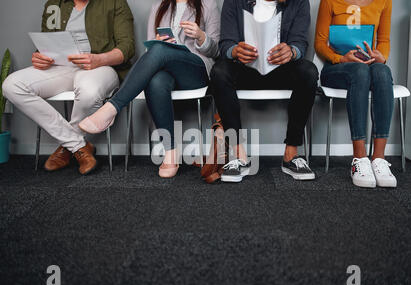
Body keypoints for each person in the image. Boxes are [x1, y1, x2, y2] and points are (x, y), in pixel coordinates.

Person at [79, 0, 220, 178]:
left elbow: (216, 51)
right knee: (156, 80)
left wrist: (201, 36)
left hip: (195, 70)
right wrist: (159, 43)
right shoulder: (159, 6)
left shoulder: (208, 4)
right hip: (166, 69)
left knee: (160, 50)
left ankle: (111, 108)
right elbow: (150, 52)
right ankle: (171, 151)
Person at [2, 0, 135, 175]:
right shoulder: (54, 4)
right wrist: (39, 56)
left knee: (89, 90)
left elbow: (127, 47)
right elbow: (44, 45)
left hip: (102, 66)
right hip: (61, 67)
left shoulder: (115, 2)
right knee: (12, 85)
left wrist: (99, 59)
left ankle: (68, 147)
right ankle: (77, 145)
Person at [210, 0, 318, 183]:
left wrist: (291, 52)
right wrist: (235, 51)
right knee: (219, 71)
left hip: (280, 70)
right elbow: (225, 44)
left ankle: (290, 155)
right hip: (245, 70)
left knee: (309, 72)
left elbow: (300, 43)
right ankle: (239, 156)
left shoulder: (298, 2)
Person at [315, 0, 396, 188]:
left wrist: (381, 57)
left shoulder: (384, 1)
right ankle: (359, 159)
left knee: (382, 71)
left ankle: (379, 160)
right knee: (360, 72)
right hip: (337, 68)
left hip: (368, 66)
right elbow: (320, 43)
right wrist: (340, 58)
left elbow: (383, 40)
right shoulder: (329, 1)